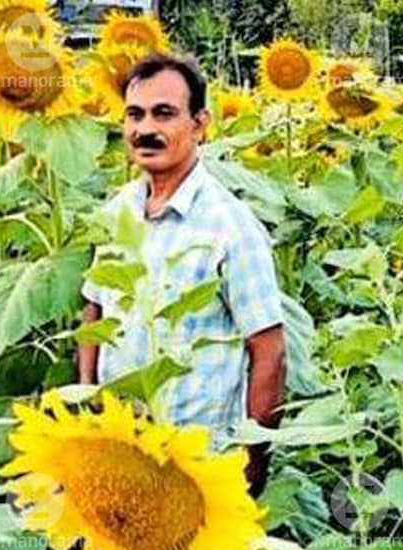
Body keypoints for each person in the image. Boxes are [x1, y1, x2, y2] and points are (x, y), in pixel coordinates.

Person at [77, 54, 285, 496]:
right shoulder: (117, 213)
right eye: (135, 115)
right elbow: (94, 313)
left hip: (200, 464)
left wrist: (253, 461)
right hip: (122, 452)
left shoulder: (229, 226)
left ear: (200, 123)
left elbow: (268, 351)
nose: (145, 129)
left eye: (164, 114)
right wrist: (86, 406)